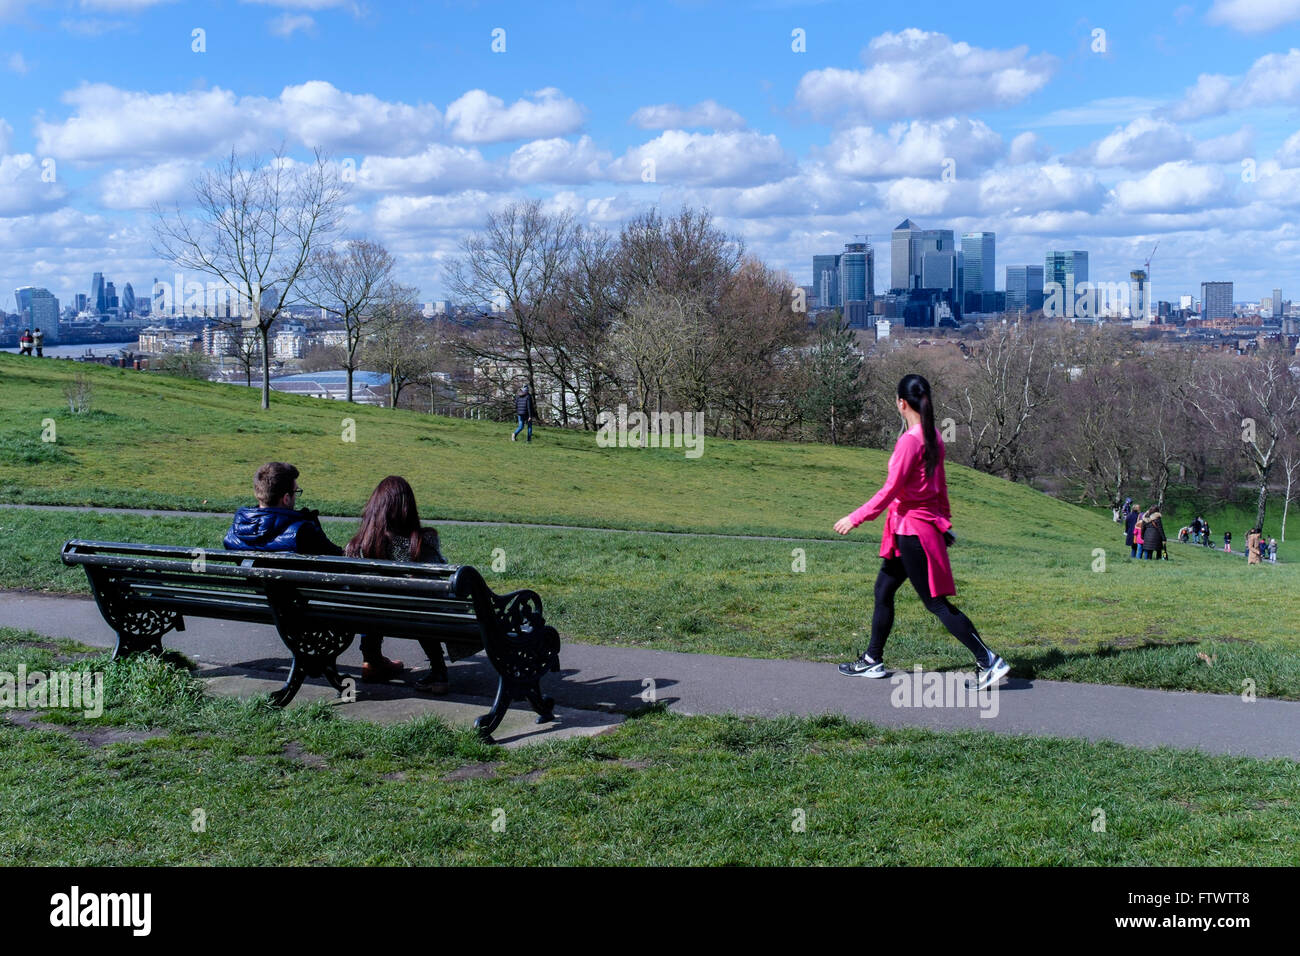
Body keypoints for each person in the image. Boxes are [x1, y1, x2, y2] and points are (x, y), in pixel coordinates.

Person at [835, 373, 1010, 691]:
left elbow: (890, 489)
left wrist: (855, 517)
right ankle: (873, 660)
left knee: (936, 604)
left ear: (901, 403)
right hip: (914, 528)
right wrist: (944, 523)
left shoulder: (909, 441)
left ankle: (989, 661)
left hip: (913, 532)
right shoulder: (933, 438)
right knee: (883, 590)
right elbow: (940, 488)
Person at [223, 463, 404, 682]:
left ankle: (373, 660)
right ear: (286, 498)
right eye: (295, 491)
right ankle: (372, 659)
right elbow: (342, 561)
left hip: (266, 604)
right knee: (368, 586)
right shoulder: (300, 531)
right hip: (310, 609)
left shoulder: (236, 531)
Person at [344, 476, 452, 693]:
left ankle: (371, 660)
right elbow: (435, 587)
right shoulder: (423, 542)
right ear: (408, 508)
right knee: (423, 604)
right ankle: (438, 672)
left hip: (373, 616)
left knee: (369, 601)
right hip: (415, 616)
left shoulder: (356, 547)